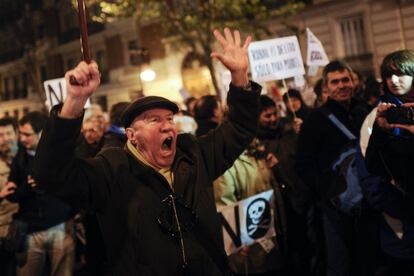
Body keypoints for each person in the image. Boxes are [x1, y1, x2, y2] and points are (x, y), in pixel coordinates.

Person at [34, 28, 261, 275]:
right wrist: (74, 102)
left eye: (169, 119)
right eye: (154, 120)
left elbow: (240, 127)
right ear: (132, 135)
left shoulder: (194, 154)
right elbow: (51, 176)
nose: (167, 126)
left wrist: (240, 77)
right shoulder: (111, 169)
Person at [295, 60, 379, 276]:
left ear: (354, 82)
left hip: (370, 202)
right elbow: (303, 165)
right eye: (335, 82)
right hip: (335, 207)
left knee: (371, 260)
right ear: (326, 88)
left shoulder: (367, 112)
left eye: (345, 80)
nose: (341, 85)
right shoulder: (314, 121)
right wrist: (328, 191)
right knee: (340, 263)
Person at [364, 49, 414, 275]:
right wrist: (381, 132)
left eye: (401, 74)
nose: (394, 81)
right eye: (388, 75)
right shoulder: (382, 114)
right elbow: (373, 167)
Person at [8, 112, 75, 276]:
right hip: (31, 231)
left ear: (42, 133)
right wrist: (27, 186)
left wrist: (51, 182)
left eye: (27, 134)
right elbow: (12, 193)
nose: (22, 139)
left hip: (61, 227)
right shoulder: (20, 158)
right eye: (20, 133)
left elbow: (74, 187)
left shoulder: (60, 156)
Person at [0, 117, 19, 276]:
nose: (5, 139)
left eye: (8, 133)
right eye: (0, 135)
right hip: (3, 233)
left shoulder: (26, 158)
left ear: (16, 134)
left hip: (24, 231)